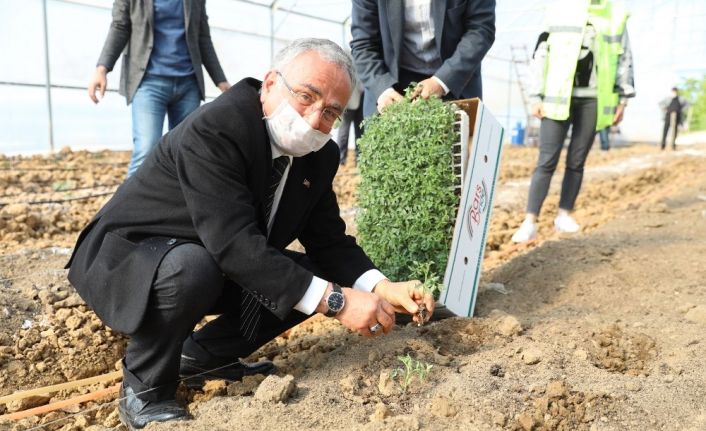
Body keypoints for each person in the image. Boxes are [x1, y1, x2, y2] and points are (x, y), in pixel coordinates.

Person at [67, 38, 433, 429]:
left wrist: (380, 287)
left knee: (305, 279)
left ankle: (203, 357)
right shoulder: (219, 128)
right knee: (199, 268)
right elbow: (235, 245)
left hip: (210, 254)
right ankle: (145, 388)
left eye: (330, 112)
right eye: (306, 97)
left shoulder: (319, 156)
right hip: (132, 257)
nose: (313, 120)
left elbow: (327, 241)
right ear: (271, 83)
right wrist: (339, 302)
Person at [511, 0, 636, 243]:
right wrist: (536, 95)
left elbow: (624, 59)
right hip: (556, 100)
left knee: (577, 161)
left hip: (593, 100)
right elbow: (540, 53)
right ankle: (529, 221)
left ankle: (564, 215)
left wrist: (623, 98)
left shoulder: (615, 14)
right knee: (546, 161)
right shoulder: (558, 7)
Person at [87, 0, 231, 177]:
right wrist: (102, 69)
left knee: (186, 152)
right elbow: (120, 26)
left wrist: (221, 80)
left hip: (188, 85)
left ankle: (176, 204)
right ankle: (130, 205)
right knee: (146, 150)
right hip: (148, 83)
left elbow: (203, 37)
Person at [350, 0, 496, 117]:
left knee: (458, 150)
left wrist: (442, 81)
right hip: (391, 85)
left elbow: (480, 30)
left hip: (454, 81)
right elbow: (363, 43)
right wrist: (383, 89)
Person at [336, 81, 364, 164]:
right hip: (347, 103)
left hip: (360, 100)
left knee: (360, 132)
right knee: (344, 132)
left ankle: (359, 158)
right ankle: (340, 159)